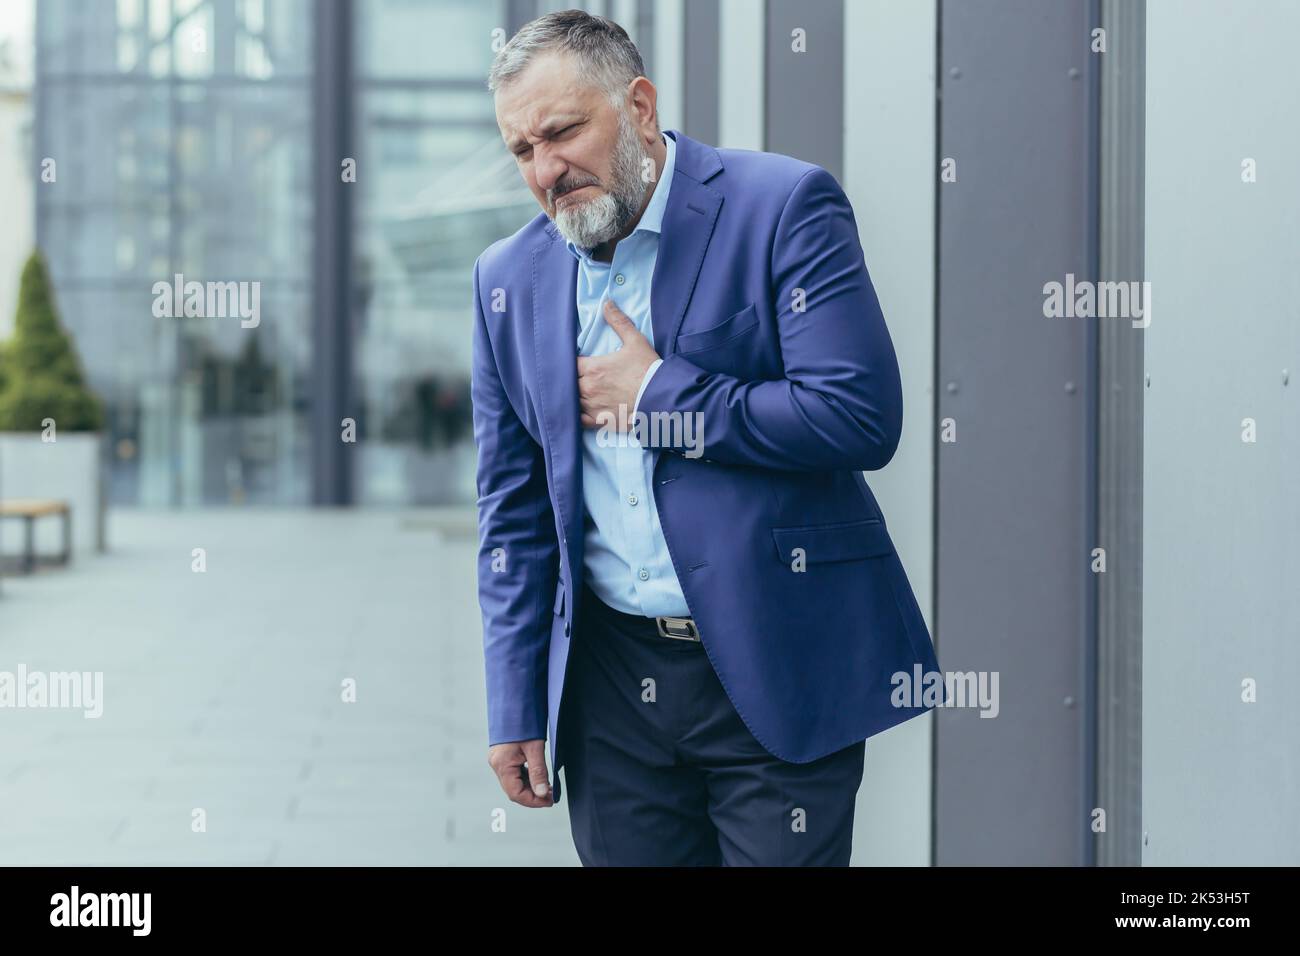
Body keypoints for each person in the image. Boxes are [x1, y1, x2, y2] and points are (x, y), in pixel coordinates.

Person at [471, 9, 940, 866]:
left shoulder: (783, 206)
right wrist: (514, 702)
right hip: (609, 693)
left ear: (640, 105)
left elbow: (859, 414)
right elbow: (512, 513)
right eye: (522, 151)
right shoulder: (506, 279)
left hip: (775, 664)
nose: (546, 169)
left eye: (563, 132)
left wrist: (659, 395)